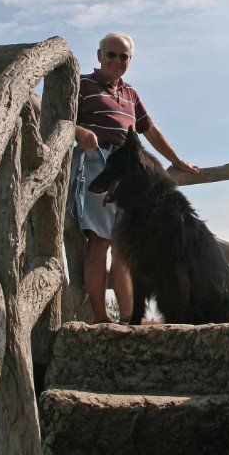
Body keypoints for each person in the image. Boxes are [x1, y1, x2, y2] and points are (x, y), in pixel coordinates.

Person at [69, 32, 199, 323]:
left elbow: (148, 129)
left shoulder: (130, 93)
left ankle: (129, 318)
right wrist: (80, 133)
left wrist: (176, 160)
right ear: (99, 54)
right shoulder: (82, 84)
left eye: (123, 56)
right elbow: (61, 119)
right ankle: (101, 318)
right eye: (111, 54)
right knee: (99, 240)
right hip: (97, 162)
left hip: (129, 172)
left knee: (124, 244)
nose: (117, 60)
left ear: (129, 61)